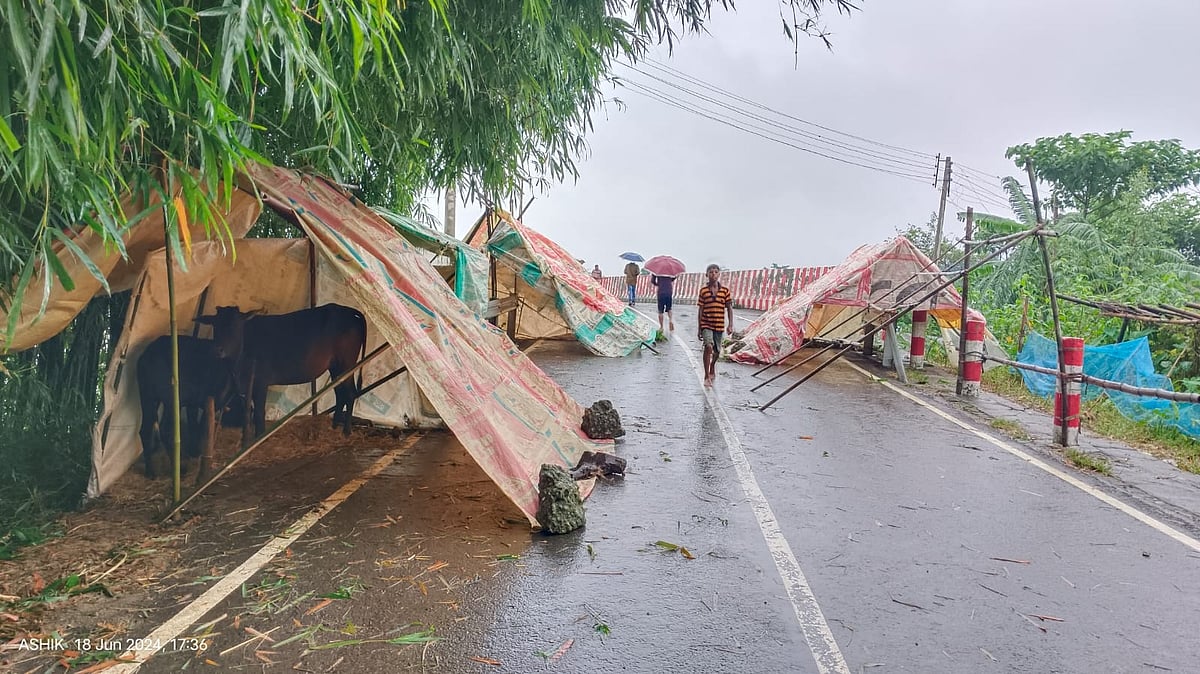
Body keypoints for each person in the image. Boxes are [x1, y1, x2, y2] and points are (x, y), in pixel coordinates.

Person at [697, 263, 733, 387]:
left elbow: (729, 308)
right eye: (711, 272)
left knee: (717, 352)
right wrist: (699, 328)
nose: (713, 274)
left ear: (719, 274)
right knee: (708, 347)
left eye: (716, 272)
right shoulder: (703, 291)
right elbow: (700, 310)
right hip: (706, 324)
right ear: (707, 275)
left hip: (719, 325)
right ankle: (706, 375)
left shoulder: (725, 291)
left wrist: (730, 325)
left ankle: (712, 365)